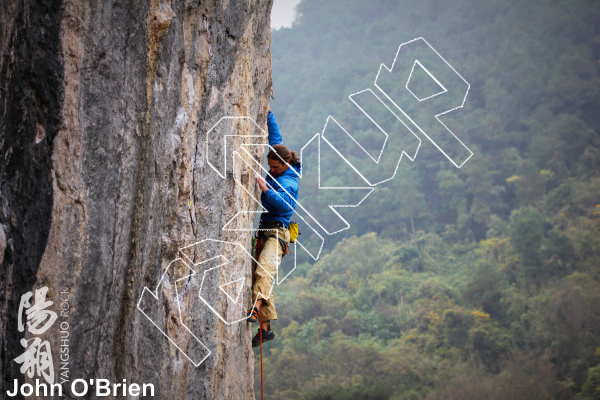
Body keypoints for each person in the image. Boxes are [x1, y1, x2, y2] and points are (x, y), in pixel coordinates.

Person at [247, 104, 301, 347]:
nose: (272, 170)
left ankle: (256, 309)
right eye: (271, 166)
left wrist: (266, 190)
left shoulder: (290, 181)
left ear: (287, 165)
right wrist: (268, 113)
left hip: (278, 232)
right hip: (265, 229)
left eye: (276, 168)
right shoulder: (281, 159)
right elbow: (276, 138)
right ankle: (265, 329)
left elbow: (284, 205)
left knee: (264, 272)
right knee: (262, 276)